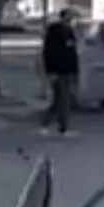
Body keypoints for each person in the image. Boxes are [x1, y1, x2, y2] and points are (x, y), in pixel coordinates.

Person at [41, 8, 79, 136]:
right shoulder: (55, 31)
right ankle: (62, 127)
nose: (72, 19)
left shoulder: (70, 32)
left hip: (68, 70)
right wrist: (51, 70)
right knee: (63, 99)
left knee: (59, 100)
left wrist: (75, 71)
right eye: (70, 16)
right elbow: (49, 52)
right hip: (58, 70)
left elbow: (72, 52)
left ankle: (48, 124)